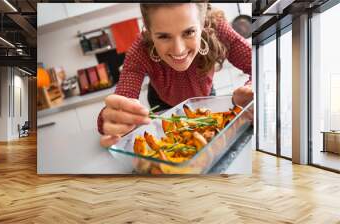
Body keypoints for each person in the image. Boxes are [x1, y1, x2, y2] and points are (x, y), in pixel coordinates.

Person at [98, 3, 253, 147]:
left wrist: (251, 90)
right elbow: (121, 101)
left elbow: (257, 63)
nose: (178, 50)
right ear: (149, 31)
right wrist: (113, 120)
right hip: (162, 104)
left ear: (203, 23)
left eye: (189, 32)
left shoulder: (219, 29)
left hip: (204, 98)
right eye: (163, 36)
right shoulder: (139, 50)